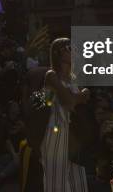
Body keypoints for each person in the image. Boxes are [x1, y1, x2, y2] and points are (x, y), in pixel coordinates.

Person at [41, 38, 90, 192]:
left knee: (78, 182)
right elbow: (69, 102)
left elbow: (74, 100)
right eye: (69, 47)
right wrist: (80, 96)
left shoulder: (74, 77)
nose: (74, 50)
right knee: (57, 182)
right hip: (55, 131)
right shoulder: (51, 75)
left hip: (75, 132)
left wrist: (76, 97)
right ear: (57, 53)